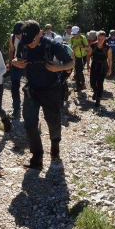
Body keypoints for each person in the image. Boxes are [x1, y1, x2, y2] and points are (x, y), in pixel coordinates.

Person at [12, 20, 74, 170]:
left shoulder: (52, 46)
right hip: (32, 89)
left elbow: (71, 63)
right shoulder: (24, 44)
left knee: (53, 122)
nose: (29, 44)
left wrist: (58, 68)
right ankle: (37, 157)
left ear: (40, 33)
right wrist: (15, 62)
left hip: (51, 89)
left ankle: (55, 147)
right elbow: (16, 58)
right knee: (29, 124)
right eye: (26, 41)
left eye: (31, 41)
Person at [87, 31, 112, 106]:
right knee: (92, 82)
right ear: (96, 37)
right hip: (94, 64)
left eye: (102, 38)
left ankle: (98, 98)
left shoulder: (108, 48)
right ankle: (95, 91)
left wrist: (110, 68)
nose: (100, 40)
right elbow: (88, 55)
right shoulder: (93, 46)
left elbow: (110, 59)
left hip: (103, 66)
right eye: (99, 38)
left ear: (105, 38)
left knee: (100, 82)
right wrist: (88, 65)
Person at [8, 21, 24, 118]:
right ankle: (16, 108)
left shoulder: (29, 37)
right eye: (16, 33)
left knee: (30, 87)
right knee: (14, 87)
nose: (18, 35)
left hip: (27, 63)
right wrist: (10, 64)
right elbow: (11, 50)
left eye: (19, 33)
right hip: (15, 63)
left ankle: (30, 109)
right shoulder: (12, 37)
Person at [53, 35, 74, 108]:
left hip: (66, 68)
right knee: (60, 82)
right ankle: (65, 92)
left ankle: (61, 99)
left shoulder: (66, 48)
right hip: (57, 68)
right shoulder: (52, 47)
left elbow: (72, 57)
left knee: (61, 83)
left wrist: (70, 67)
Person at [69, 26, 90, 91]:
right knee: (77, 71)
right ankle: (78, 86)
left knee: (79, 70)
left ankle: (82, 83)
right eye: (73, 34)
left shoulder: (83, 38)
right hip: (75, 57)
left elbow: (88, 48)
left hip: (82, 56)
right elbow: (70, 48)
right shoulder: (72, 38)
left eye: (75, 34)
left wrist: (82, 46)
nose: (74, 35)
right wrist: (73, 48)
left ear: (79, 32)